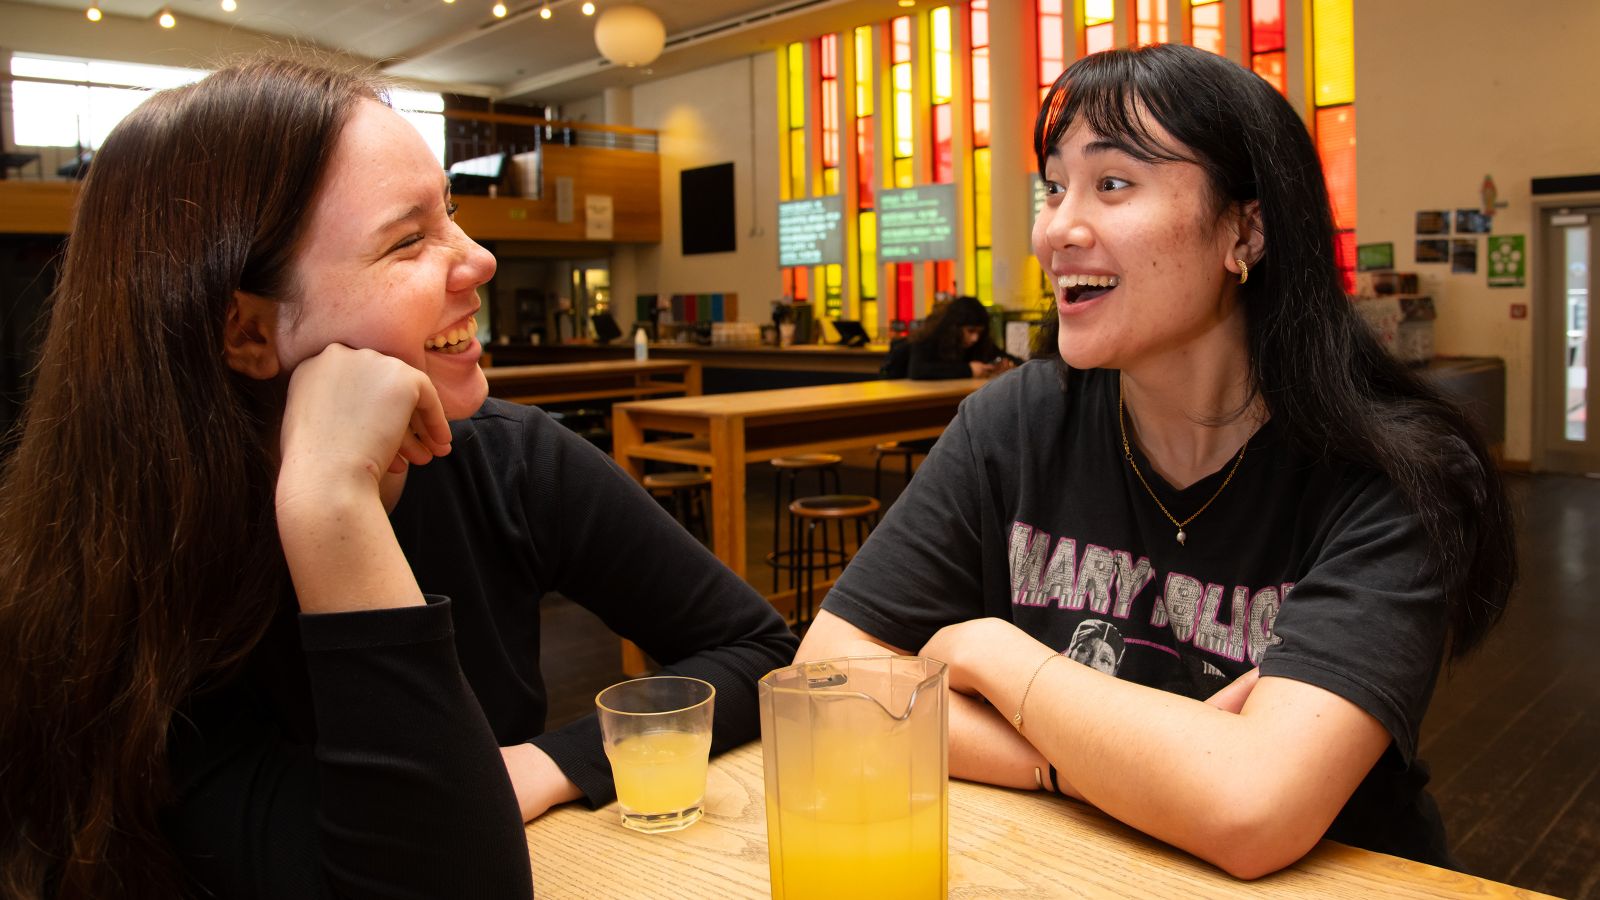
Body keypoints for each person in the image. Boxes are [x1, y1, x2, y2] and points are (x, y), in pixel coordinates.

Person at [0, 58, 797, 900]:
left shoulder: (506, 457)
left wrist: (544, 762)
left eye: (450, 215)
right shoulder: (128, 584)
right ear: (245, 332)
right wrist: (332, 507)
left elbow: (761, 653)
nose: (480, 261)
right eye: (408, 239)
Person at [798, 43, 1515, 879]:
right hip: (1071, 865)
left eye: (1112, 184)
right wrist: (1080, 762)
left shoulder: (1394, 473)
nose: (1057, 230)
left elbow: (1254, 807)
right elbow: (829, 683)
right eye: (1053, 188)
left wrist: (1000, 656)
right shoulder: (1017, 423)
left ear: (1244, 229)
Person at [880, 295, 1018, 380]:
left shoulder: (979, 342)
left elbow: (1003, 356)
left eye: (979, 332)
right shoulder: (927, 338)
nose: (975, 338)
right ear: (954, 327)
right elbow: (917, 370)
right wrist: (968, 370)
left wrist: (1005, 365)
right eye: (970, 331)